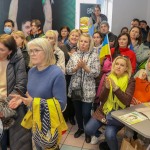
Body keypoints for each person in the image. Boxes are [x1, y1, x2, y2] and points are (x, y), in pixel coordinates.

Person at [10, 38, 67, 150]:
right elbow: (32, 96)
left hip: (49, 123)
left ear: (46, 52)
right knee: (38, 145)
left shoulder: (56, 74)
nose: (32, 54)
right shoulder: (32, 71)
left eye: (36, 50)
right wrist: (22, 100)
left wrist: (34, 102)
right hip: (35, 120)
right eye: (30, 51)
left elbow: (61, 105)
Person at [85, 56, 135, 149]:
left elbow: (127, 100)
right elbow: (102, 99)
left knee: (110, 135)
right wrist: (107, 88)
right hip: (104, 110)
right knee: (88, 129)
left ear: (126, 68)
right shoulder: (108, 77)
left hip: (119, 113)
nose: (118, 67)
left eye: (122, 65)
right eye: (116, 64)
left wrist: (116, 88)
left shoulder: (130, 80)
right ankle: (100, 134)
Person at [66, 33, 100, 143]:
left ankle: (88, 131)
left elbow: (96, 73)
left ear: (89, 43)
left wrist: (86, 68)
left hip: (88, 90)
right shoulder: (74, 55)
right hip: (76, 88)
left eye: (86, 41)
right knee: (78, 112)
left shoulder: (94, 55)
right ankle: (80, 128)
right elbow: (67, 70)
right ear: (78, 42)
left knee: (86, 113)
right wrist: (76, 68)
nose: (83, 43)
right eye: (81, 41)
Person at [0, 34, 32, 150]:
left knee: (15, 140)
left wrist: (4, 108)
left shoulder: (18, 61)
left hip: (11, 104)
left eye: (1, 50)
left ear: (9, 52)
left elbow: (21, 85)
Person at [60, 29, 81, 125]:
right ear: (69, 36)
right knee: (64, 96)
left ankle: (72, 116)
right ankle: (64, 116)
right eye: (72, 35)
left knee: (73, 97)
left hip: (76, 77)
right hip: (64, 76)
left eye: (77, 36)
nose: (74, 37)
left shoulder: (81, 49)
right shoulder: (62, 47)